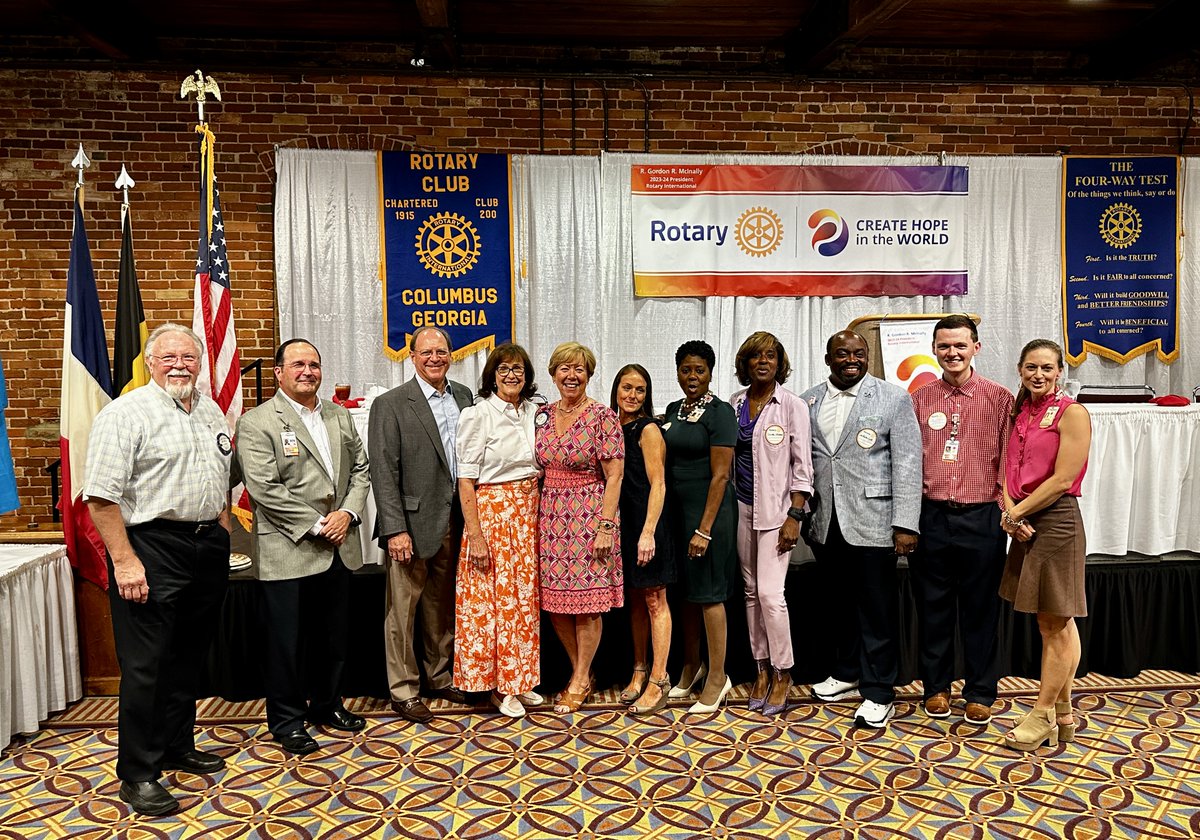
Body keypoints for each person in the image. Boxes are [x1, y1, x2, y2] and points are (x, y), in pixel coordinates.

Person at [83, 323, 234, 816]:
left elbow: (220, 479)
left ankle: (176, 745)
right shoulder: (125, 414)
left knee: (187, 657)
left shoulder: (209, 409)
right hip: (150, 546)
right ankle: (139, 773)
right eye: (168, 357)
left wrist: (222, 532)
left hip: (205, 545)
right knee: (146, 666)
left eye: (188, 358)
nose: (180, 366)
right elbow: (101, 497)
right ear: (150, 362)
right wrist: (125, 562)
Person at [235, 339, 371, 754]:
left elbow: (361, 470)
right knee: (286, 643)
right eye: (297, 364)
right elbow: (264, 489)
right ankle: (287, 721)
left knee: (333, 637)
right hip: (289, 548)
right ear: (279, 372)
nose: (307, 371)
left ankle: (328, 705)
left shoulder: (337, 416)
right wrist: (316, 524)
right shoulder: (257, 422)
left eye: (314, 364)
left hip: (340, 543)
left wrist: (346, 514)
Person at [803, 330, 922, 729]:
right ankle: (847, 671)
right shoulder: (808, 401)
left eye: (858, 353)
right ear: (828, 357)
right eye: (842, 353)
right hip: (826, 522)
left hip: (874, 521)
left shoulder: (893, 398)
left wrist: (905, 523)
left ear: (867, 356)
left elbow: (907, 464)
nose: (851, 359)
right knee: (839, 604)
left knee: (877, 610)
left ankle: (878, 692)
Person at [910, 315, 1014, 727]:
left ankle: (979, 692)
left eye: (960, 345)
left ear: (976, 347)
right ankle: (936, 688)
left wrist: (1009, 514)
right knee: (932, 607)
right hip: (931, 515)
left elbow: (1010, 463)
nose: (952, 353)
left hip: (982, 517)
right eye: (944, 346)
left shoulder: (1000, 399)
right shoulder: (917, 399)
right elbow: (906, 464)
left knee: (980, 609)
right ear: (934, 349)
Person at [368, 326, 474, 723]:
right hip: (410, 526)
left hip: (454, 520)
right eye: (426, 352)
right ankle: (404, 689)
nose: (434, 358)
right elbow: (383, 471)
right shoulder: (391, 404)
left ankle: (439, 675)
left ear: (451, 355)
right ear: (411, 356)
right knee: (403, 611)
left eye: (441, 351)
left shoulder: (464, 397)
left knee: (440, 607)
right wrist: (394, 529)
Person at [998, 338, 1091, 751]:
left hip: (1055, 520)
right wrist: (1010, 511)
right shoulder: (1019, 412)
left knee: (1057, 621)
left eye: (1047, 369)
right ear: (1020, 370)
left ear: (1058, 373)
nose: (1039, 375)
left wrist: (1017, 514)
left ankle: (1041, 714)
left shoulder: (1072, 413)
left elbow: (1060, 479)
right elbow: (1004, 468)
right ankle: (1064, 711)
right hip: (1021, 518)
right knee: (1049, 622)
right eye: (1031, 367)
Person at [454, 343, 545, 719]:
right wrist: (475, 535)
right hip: (494, 517)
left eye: (519, 370)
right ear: (492, 374)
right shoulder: (478, 415)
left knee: (523, 604)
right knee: (494, 605)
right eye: (504, 369)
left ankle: (521, 680)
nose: (512, 375)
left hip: (529, 515)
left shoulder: (535, 412)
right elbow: (465, 480)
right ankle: (498, 686)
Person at [535, 342, 624, 714]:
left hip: (589, 515)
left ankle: (581, 677)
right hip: (550, 516)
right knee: (556, 604)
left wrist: (606, 526)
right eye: (564, 369)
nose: (572, 376)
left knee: (587, 606)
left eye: (580, 370)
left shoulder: (603, 417)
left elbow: (615, 475)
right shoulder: (541, 414)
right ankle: (580, 673)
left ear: (589, 375)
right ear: (553, 374)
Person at [729, 332, 812, 717]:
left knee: (770, 596)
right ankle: (760, 670)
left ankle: (783, 673)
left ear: (780, 363)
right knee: (749, 592)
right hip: (741, 509)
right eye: (755, 356)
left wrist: (795, 516)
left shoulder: (792, 405)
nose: (763, 362)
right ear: (745, 364)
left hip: (777, 514)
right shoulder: (733, 405)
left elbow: (802, 468)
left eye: (771, 356)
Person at [662, 340, 737, 714]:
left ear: (710, 372)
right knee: (687, 595)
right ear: (677, 372)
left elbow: (722, 475)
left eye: (699, 370)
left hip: (709, 515)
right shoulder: (674, 410)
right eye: (686, 370)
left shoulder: (720, 412)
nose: (692, 377)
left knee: (709, 594)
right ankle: (691, 667)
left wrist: (704, 529)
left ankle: (718, 677)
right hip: (677, 513)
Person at [611, 364, 675, 717]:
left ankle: (659, 678)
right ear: (616, 389)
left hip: (649, 526)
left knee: (654, 600)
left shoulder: (649, 429)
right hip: (623, 523)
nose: (632, 395)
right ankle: (638, 669)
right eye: (626, 388)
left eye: (639, 389)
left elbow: (659, 483)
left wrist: (648, 532)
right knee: (635, 601)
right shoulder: (611, 425)